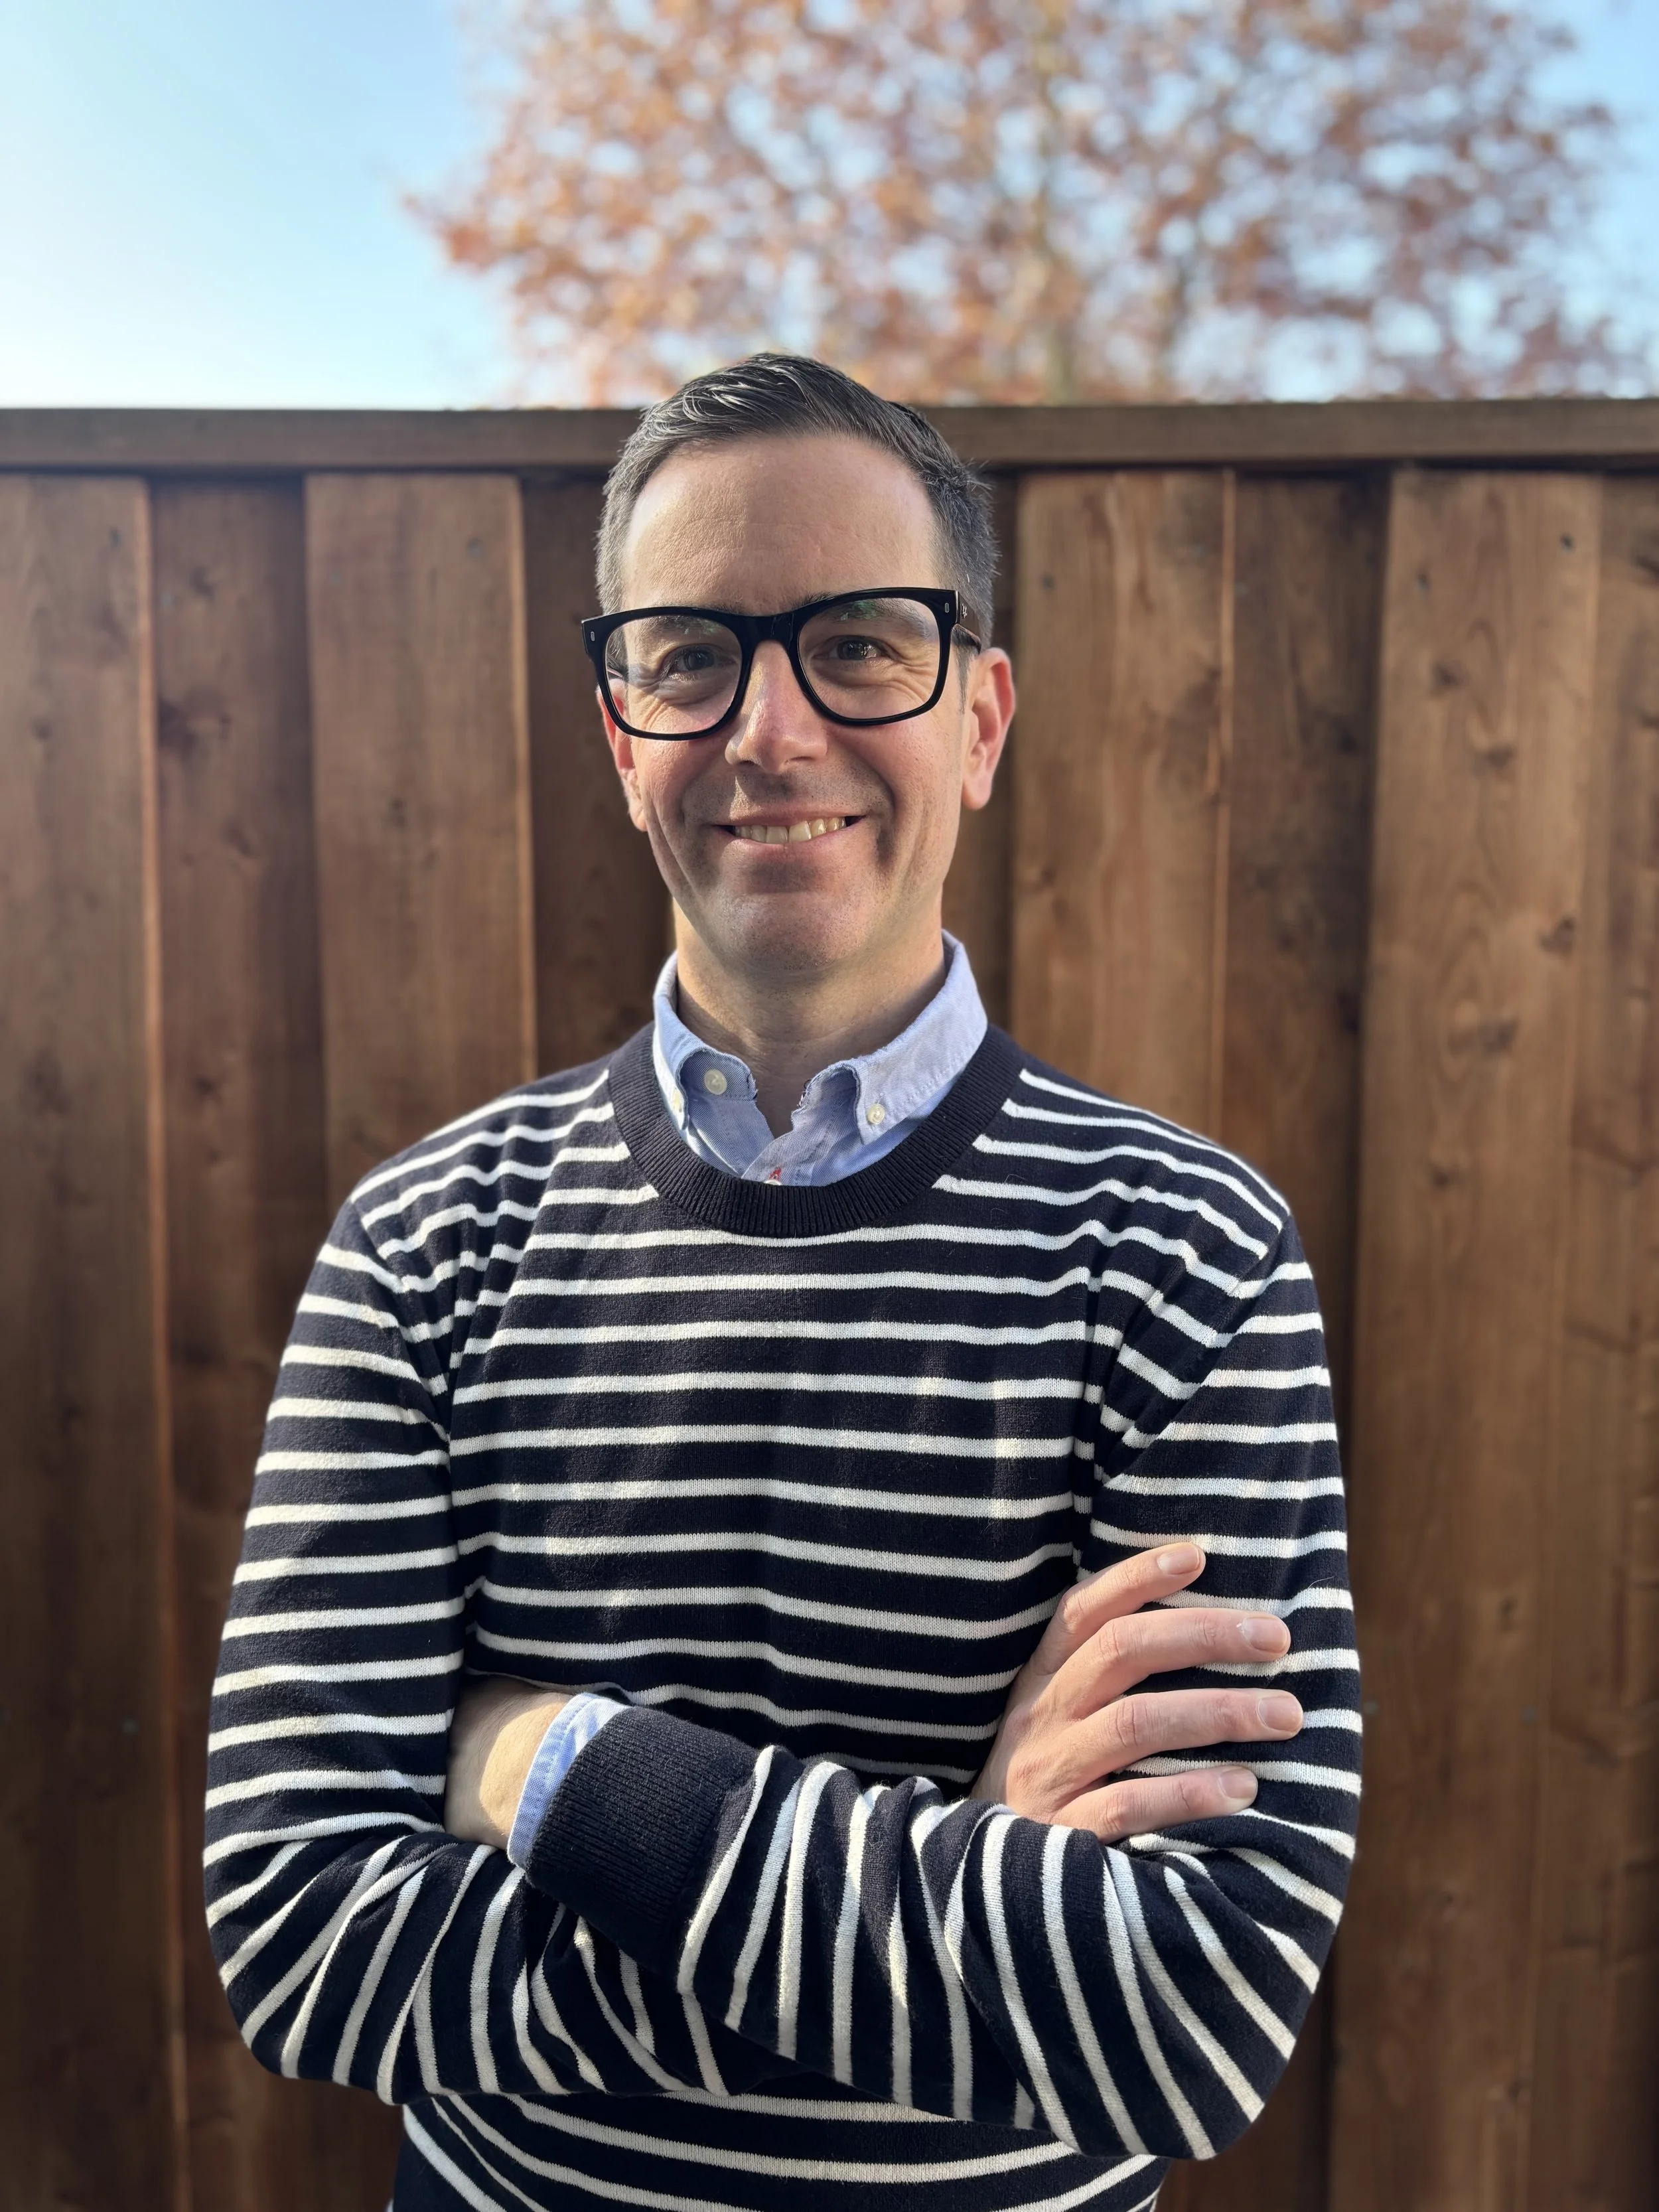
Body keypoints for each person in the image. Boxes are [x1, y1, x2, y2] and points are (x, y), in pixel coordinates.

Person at [205, 354, 1359, 2212]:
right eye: (690, 654)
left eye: (860, 642)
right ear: (618, 729)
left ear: (976, 716)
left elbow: (1189, 2009)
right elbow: (299, 1932)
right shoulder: (422, 1244)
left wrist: (550, 1762)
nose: (772, 726)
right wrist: (967, 1894)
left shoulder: (1191, 1252)